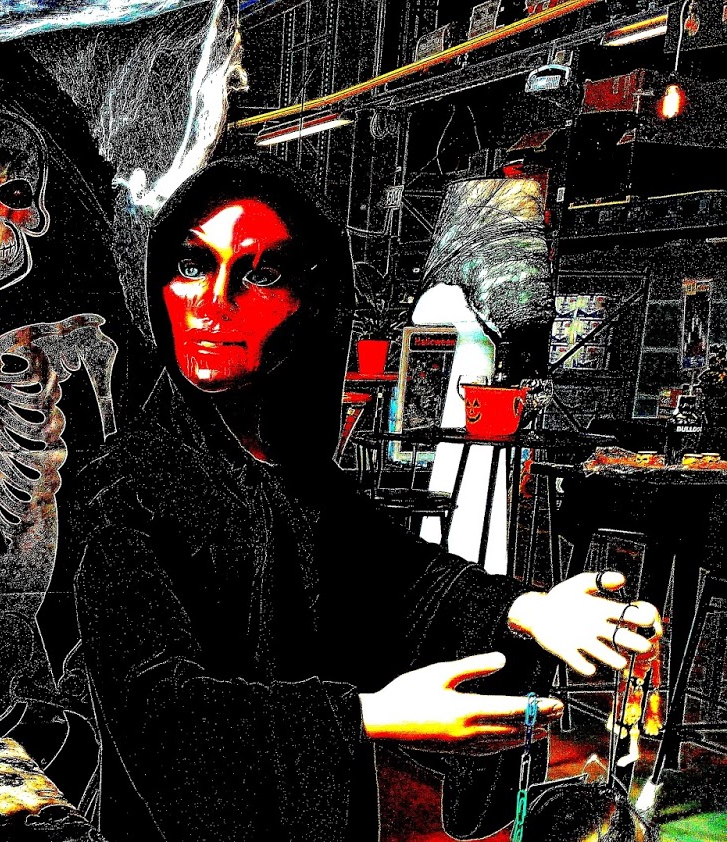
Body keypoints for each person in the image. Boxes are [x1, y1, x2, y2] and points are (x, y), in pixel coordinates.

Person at [64, 158, 660, 841]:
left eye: (260, 274)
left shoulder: (299, 474)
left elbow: (401, 578)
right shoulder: (124, 492)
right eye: (192, 265)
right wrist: (366, 717)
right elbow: (159, 715)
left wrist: (529, 610)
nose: (213, 299)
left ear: (311, 303)